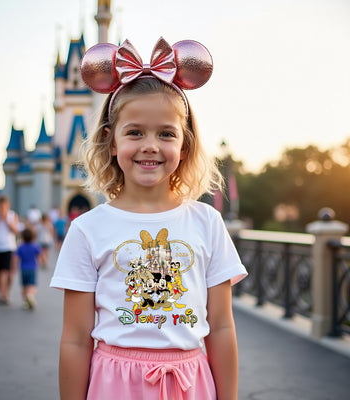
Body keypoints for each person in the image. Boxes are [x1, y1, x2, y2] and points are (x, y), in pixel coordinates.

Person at [51, 37, 248, 400]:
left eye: (166, 133)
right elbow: (76, 339)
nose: (150, 145)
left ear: (184, 145)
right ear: (111, 142)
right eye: (135, 132)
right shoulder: (86, 230)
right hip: (114, 385)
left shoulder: (207, 223)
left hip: (190, 383)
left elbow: (220, 327)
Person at [0, 195, 19, 305]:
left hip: (9, 247)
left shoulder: (12, 215)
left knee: (10, 272)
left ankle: (7, 292)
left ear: (8, 206)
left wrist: (6, 220)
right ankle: (1, 294)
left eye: (4, 207)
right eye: (0, 207)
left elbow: (16, 230)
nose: (2, 209)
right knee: (0, 272)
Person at [16, 227, 41, 310]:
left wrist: (14, 267)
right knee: (32, 285)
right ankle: (30, 295)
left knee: (24, 286)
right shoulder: (35, 246)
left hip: (23, 269)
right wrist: (43, 262)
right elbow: (40, 255)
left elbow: (15, 258)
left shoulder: (20, 247)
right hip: (32, 268)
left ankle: (25, 302)